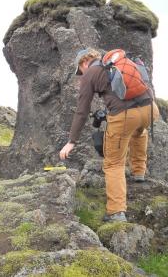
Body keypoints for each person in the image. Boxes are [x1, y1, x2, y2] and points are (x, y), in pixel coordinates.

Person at [59, 48, 159, 222]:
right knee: (139, 131)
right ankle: (139, 173)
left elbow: (82, 112)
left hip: (126, 115)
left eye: (80, 71)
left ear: (84, 62)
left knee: (113, 163)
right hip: (150, 109)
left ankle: (116, 212)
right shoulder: (117, 62)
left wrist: (71, 141)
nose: (81, 74)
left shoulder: (90, 73)